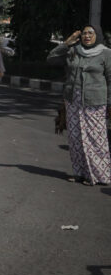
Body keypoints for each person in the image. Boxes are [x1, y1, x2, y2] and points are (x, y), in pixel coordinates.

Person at [47, 25, 111, 186]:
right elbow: (51, 59)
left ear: (98, 35)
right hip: (73, 100)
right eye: (84, 33)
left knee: (95, 139)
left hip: (95, 101)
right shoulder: (74, 50)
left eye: (91, 33)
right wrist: (67, 43)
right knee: (75, 138)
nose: (87, 36)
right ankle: (79, 173)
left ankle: (98, 175)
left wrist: (110, 103)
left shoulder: (106, 53)